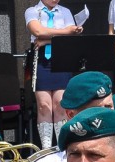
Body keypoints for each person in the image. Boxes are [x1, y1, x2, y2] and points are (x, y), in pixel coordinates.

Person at [25, 0, 83, 149]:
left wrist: (47, 40)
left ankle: (61, 146)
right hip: (41, 58)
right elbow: (38, 31)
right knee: (44, 105)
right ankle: (46, 148)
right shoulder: (32, 11)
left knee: (60, 103)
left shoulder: (65, 11)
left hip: (61, 55)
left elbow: (71, 34)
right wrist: (65, 32)